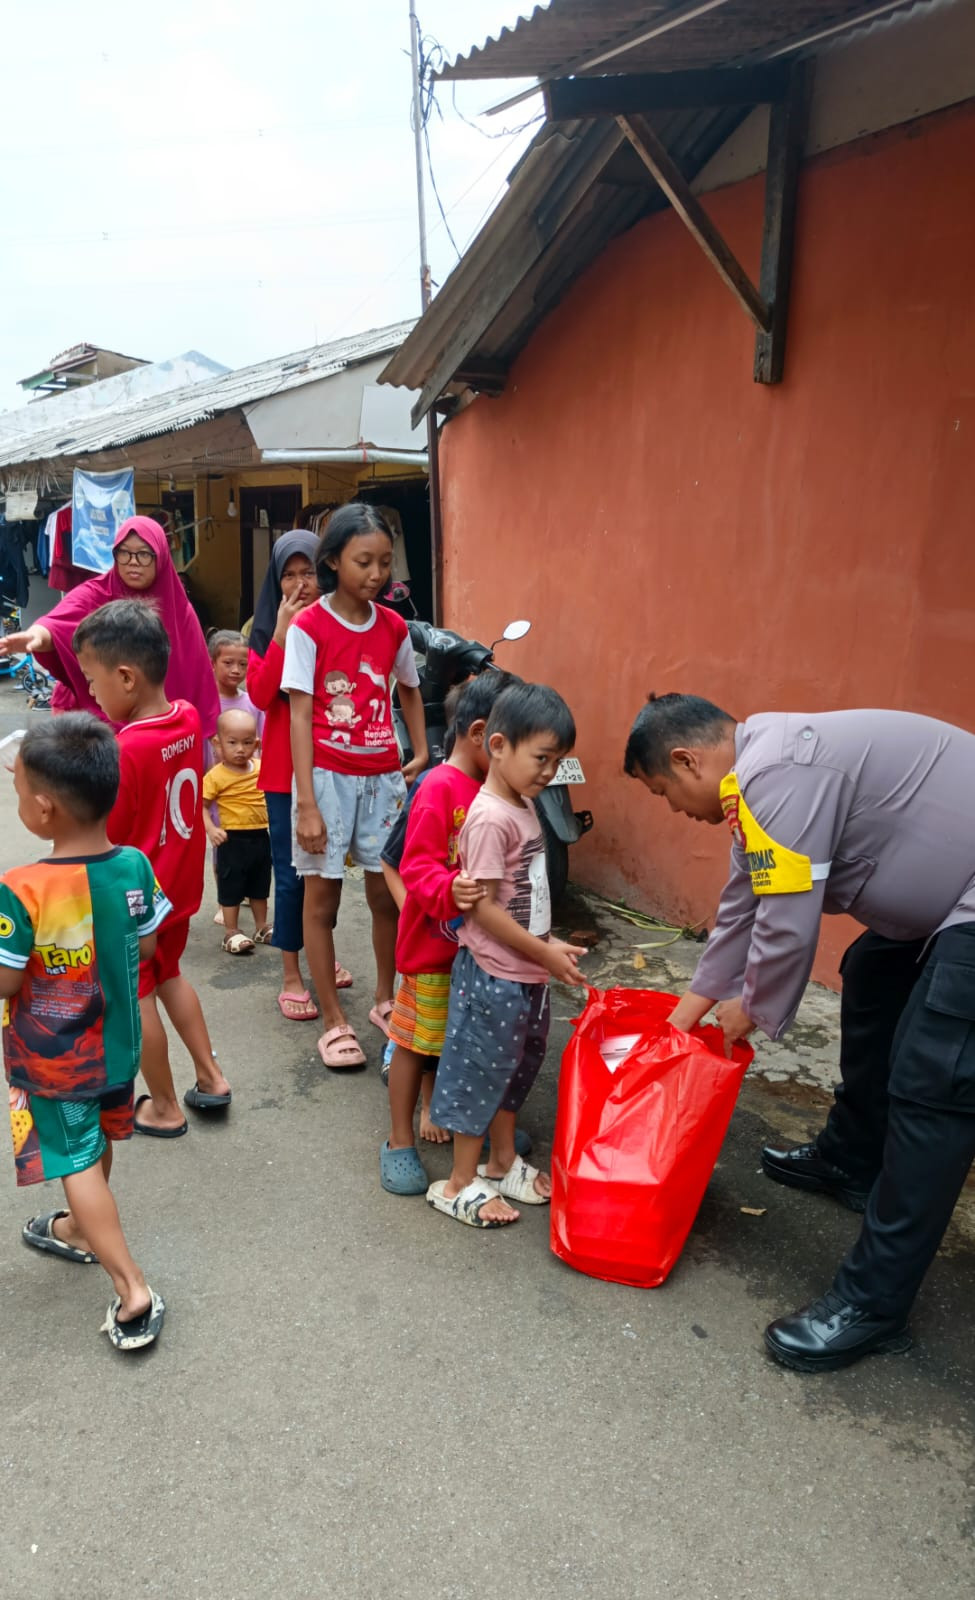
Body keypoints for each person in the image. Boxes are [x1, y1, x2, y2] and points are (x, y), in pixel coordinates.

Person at [624, 692, 975, 1373]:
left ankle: (871, 1304)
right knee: (873, 973)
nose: (675, 812)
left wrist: (751, 1007)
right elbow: (742, 907)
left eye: (665, 794)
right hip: (946, 901)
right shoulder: (758, 781)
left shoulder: (778, 772)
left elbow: (786, 916)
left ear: (685, 759)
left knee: (933, 1077)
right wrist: (681, 1017)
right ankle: (851, 1157)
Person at [1, 716, 170, 1350]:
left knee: (73, 1160)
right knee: (98, 1140)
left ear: (42, 810)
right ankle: (75, 1227)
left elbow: (6, 984)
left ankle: (133, 1288)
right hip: (118, 1047)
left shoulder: (22, 889)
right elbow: (149, 942)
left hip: (55, 1061)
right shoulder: (132, 864)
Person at [426, 683, 588, 1227]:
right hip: (495, 973)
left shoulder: (524, 804)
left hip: (526, 971)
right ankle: (456, 1183)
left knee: (515, 1069)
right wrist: (543, 953)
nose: (549, 772)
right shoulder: (491, 817)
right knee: (479, 1074)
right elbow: (485, 912)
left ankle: (500, 1161)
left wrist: (547, 945)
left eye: (557, 761)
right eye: (541, 758)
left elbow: (527, 893)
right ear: (497, 745)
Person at [73, 599, 232, 1135]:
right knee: (170, 975)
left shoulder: (125, 750)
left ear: (127, 677)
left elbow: (104, 834)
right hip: (180, 891)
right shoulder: (186, 716)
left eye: (94, 682)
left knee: (137, 995)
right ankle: (211, 1076)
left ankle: (162, 1105)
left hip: (134, 901)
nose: (91, 693)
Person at [281, 504, 427, 1069]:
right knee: (323, 901)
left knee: (384, 895)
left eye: (385, 563)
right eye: (364, 561)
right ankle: (334, 1020)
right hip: (326, 780)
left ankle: (385, 999)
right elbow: (300, 714)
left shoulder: (393, 626)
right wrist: (308, 805)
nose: (376, 573)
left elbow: (409, 689)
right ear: (334, 561)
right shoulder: (310, 627)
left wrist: (420, 751)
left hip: (382, 780)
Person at [380, 673, 519, 1195]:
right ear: (483, 735)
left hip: (473, 949)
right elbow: (413, 865)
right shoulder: (438, 786)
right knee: (415, 1043)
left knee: (467, 1040)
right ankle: (397, 1140)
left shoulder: (489, 788)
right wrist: (450, 893)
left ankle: (474, 1124)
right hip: (432, 948)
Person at [247, 531, 351, 1021]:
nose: (299, 583)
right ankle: (292, 972)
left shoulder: (340, 622)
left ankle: (322, 958)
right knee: (291, 877)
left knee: (329, 873)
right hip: (285, 773)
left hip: (334, 764)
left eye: (307, 571)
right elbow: (264, 694)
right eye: (288, 574)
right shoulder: (265, 628)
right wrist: (285, 635)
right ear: (275, 579)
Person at [0, 517, 219, 737]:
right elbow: (58, 623)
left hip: (160, 728)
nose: (133, 562)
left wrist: (208, 731)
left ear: (160, 557)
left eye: (143, 554)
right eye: (124, 553)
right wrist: (35, 636)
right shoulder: (97, 592)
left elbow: (197, 674)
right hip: (95, 723)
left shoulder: (179, 608)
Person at [202, 708, 272, 953]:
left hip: (261, 836)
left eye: (247, 742)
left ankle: (261, 927)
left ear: (257, 743)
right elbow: (200, 805)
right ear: (217, 743)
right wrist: (210, 828)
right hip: (232, 839)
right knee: (230, 886)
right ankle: (231, 932)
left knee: (260, 884)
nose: (240, 749)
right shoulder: (216, 776)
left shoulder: (262, 767)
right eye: (232, 743)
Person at [208, 629, 264, 737]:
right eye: (228, 663)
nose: (236, 670)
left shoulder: (253, 703)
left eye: (243, 664)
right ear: (213, 663)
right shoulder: (205, 703)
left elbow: (262, 740)